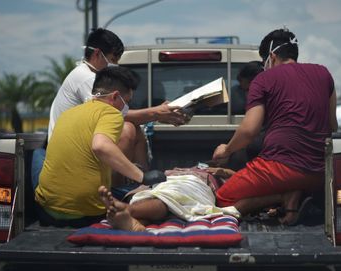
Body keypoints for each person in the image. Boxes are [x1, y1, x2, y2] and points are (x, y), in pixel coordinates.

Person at [33, 28, 187, 194]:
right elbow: (119, 117)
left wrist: (156, 114)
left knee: (134, 128)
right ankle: (117, 189)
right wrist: (156, 113)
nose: (116, 65)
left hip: (81, 144)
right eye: (113, 59)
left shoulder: (91, 75)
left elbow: (125, 115)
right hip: (74, 153)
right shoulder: (86, 78)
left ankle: (144, 185)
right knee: (128, 128)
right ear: (98, 54)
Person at [212, 28, 338, 225]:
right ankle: (294, 194)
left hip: (278, 169)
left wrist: (226, 150)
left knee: (222, 199)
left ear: (271, 56)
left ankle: (282, 197)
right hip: (318, 173)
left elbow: (249, 130)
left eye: (264, 62)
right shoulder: (324, 74)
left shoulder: (263, 79)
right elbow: (332, 126)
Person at [34, 66, 168, 228]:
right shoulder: (111, 113)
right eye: (128, 102)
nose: (126, 107)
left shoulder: (69, 113)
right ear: (116, 96)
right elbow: (101, 146)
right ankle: (130, 220)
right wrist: (142, 177)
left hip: (46, 210)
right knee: (153, 204)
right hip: (85, 213)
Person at [97, 166, 240, 232]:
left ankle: (129, 210)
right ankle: (134, 220)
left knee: (167, 197)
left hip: (193, 183)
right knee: (148, 194)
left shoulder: (211, 174)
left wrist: (221, 170)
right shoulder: (178, 169)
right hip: (164, 180)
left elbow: (237, 176)